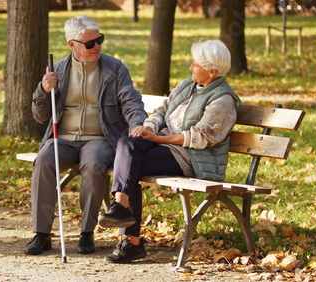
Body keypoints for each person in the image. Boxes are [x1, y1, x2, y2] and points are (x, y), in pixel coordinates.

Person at [98, 39, 241, 263]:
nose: (191, 67)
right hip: (162, 142)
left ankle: (130, 239)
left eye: (196, 64)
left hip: (190, 156)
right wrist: (147, 129)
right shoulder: (188, 85)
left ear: (212, 72)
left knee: (129, 168)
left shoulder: (223, 99)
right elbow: (162, 110)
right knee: (127, 143)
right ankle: (121, 208)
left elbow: (201, 137)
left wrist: (156, 137)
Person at [25, 15, 147, 256]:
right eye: (90, 43)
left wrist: (138, 124)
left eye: (99, 40)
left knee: (92, 165)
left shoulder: (115, 68)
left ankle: (86, 232)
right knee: (43, 160)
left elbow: (131, 102)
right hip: (63, 138)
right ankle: (41, 233)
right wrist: (43, 89)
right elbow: (40, 116)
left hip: (99, 139)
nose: (97, 46)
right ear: (72, 45)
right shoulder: (58, 69)